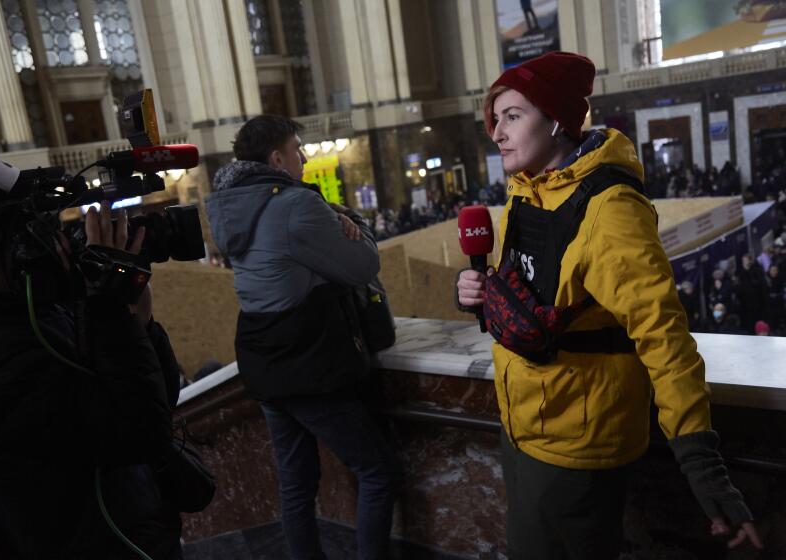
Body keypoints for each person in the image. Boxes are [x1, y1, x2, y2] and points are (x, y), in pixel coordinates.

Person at [455, 51, 761, 559]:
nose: (497, 133)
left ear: (556, 122)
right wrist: (480, 295)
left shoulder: (611, 209)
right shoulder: (527, 192)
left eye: (513, 117)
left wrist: (703, 466)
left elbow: (663, 336)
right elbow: (532, 296)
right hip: (524, 422)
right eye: (495, 118)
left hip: (577, 438)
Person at [0, 149, 195, 558]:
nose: (52, 236)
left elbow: (159, 397)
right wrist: (112, 312)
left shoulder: (33, 312)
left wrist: (139, 322)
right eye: (34, 224)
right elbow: (140, 433)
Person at [205, 115, 399, 560]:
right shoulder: (297, 206)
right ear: (277, 158)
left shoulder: (233, 206)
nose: (305, 156)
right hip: (309, 363)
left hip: (265, 363)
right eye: (297, 148)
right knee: (378, 471)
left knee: (296, 485)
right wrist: (350, 219)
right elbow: (364, 265)